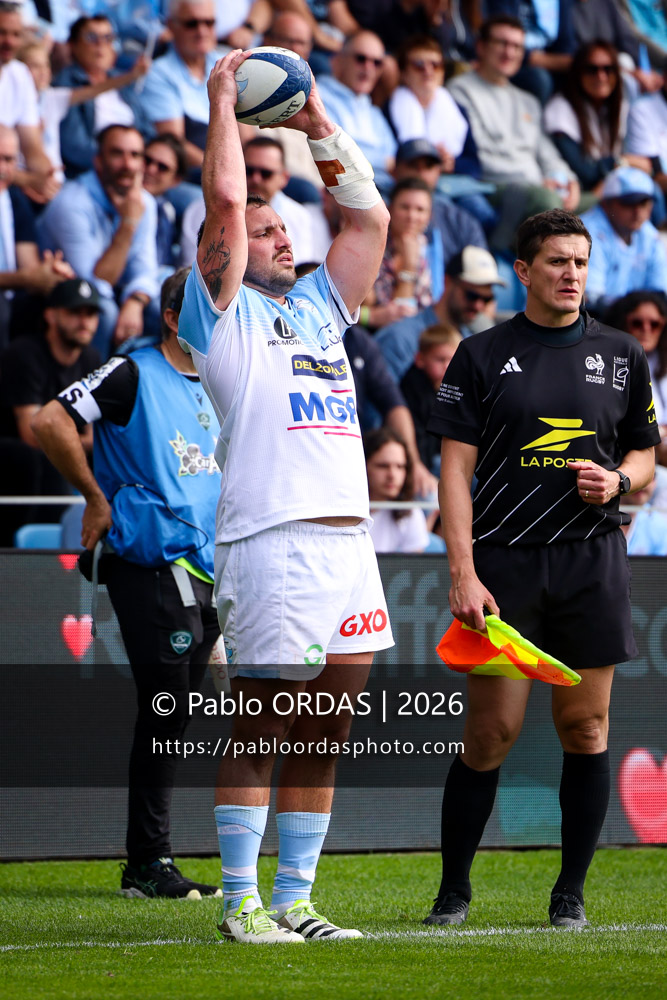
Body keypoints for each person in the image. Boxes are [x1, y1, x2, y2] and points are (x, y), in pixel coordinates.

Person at [177, 49, 394, 943]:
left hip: (350, 545)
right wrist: (224, 100)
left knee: (327, 727)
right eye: (265, 232)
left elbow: (369, 216)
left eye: (281, 230)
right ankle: (239, 902)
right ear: (219, 253)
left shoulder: (315, 309)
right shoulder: (217, 314)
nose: (279, 238)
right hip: (272, 537)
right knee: (263, 725)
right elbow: (225, 202)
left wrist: (315, 127)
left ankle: (297, 899)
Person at [424, 208, 659, 929]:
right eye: (556, 262)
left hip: (591, 563)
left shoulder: (621, 352)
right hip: (504, 566)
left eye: (580, 263)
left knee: (585, 728)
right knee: (489, 734)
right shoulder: (480, 353)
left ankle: (568, 896)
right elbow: (453, 474)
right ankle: (453, 893)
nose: (570, 275)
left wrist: (618, 482)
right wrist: (462, 572)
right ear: (522, 271)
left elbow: (646, 457)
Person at [32, 267, 223, 900]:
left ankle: (148, 860)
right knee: (167, 709)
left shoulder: (224, 383)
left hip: (210, 571)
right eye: (209, 309)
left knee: (180, 711)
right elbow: (48, 421)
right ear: (175, 318)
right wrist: (93, 496)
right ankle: (147, 862)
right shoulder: (130, 372)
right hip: (148, 563)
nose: (223, 322)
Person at [447, 15, 580, 251]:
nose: (509, 52)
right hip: (494, 186)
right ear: (481, 46)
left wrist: (567, 180)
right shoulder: (460, 91)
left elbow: (547, 153)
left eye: (517, 46)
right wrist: (539, 183)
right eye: (502, 43)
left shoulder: (528, 100)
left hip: (536, 186)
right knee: (548, 203)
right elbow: (480, 158)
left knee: (605, 202)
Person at [38, 124, 160, 358]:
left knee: (158, 306)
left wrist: (135, 301)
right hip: (56, 296)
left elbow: (145, 269)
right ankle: (94, 386)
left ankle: (143, 384)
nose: (127, 164)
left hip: (110, 292)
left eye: (135, 155)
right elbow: (96, 281)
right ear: (98, 161)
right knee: (105, 312)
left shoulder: (145, 202)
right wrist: (128, 223)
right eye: (117, 153)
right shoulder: (71, 203)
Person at [0, 276, 100, 545]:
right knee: (37, 458)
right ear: (50, 315)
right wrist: (76, 441)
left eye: (91, 313)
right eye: (74, 312)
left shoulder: (91, 358)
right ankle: (34, 559)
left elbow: (94, 434)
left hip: (59, 451)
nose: (84, 321)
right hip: (17, 459)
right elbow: (32, 434)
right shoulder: (24, 354)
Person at [18, 37, 150, 185]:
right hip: (25, 185)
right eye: (34, 66)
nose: (42, 72)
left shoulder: (52, 98)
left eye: (46, 65)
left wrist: (131, 76)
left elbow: (93, 90)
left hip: (56, 185)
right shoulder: (10, 104)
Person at [376, 244, 505, 381]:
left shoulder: (472, 344)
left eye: (486, 299)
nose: (478, 306)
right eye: (471, 295)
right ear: (447, 282)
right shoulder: (401, 338)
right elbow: (379, 398)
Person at [0, 124, 74, 349]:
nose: (4, 168)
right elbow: (24, 277)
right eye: (0, 158)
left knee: (69, 302)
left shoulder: (13, 198)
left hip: (12, 297)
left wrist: (50, 275)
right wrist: (26, 278)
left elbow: (29, 268)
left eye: (10, 160)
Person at [52, 15, 153, 179]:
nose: (101, 44)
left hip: (136, 172)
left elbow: (148, 131)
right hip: (92, 175)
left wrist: (141, 163)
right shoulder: (65, 84)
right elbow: (75, 147)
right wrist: (119, 165)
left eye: (108, 38)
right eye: (91, 37)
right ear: (73, 45)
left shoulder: (121, 81)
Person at [137, 0, 220, 182]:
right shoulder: (158, 72)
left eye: (209, 23)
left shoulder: (227, 62)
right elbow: (176, 144)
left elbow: (246, 133)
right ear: (171, 26)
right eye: (192, 24)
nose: (202, 31)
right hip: (189, 175)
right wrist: (225, 172)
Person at [543, 42, 634, 195]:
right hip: (575, 193)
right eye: (592, 70)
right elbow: (584, 172)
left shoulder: (620, 107)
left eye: (608, 69)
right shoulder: (560, 109)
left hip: (606, 189)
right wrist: (621, 162)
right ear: (578, 72)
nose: (601, 76)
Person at [316, 31, 397, 193]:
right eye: (361, 59)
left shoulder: (373, 111)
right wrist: (382, 161)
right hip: (343, 190)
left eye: (377, 62)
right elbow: (337, 153)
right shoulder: (318, 96)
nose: (368, 68)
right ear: (337, 61)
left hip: (382, 189)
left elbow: (393, 161)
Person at [580, 167, 667, 314]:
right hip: (595, 322)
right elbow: (591, 302)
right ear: (606, 204)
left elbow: (660, 293)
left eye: (643, 203)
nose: (637, 211)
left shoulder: (648, 234)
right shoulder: (585, 234)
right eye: (629, 203)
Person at [0, 1, 58, 205]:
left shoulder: (20, 74)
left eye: (15, 34)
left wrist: (47, 177)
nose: (8, 41)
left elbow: (32, 144)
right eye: (2, 32)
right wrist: (26, 180)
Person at [605, 290, 667, 463]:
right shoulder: (608, 363)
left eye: (655, 324)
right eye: (637, 323)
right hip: (626, 458)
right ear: (622, 322)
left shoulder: (663, 362)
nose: (646, 330)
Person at [367, 177, 433, 326]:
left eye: (420, 209)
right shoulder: (373, 244)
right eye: (404, 207)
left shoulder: (428, 247)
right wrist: (409, 266)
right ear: (390, 209)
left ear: (429, 216)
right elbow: (399, 315)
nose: (412, 216)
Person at [399, 322, 462, 474]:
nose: (447, 366)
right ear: (420, 359)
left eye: (452, 360)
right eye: (440, 360)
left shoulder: (454, 388)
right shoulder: (412, 388)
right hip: (423, 464)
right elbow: (420, 436)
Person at [364, 426, 430, 553]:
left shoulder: (411, 513)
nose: (392, 475)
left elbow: (413, 570)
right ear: (364, 465)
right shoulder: (345, 511)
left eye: (400, 467)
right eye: (383, 466)